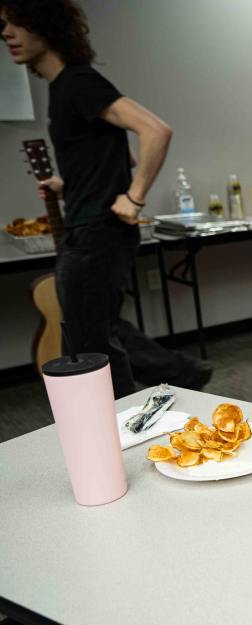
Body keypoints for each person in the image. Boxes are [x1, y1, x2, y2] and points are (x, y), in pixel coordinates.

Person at [1, 0, 210, 398]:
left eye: (17, 23)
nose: (7, 33)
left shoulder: (79, 82)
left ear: (47, 25)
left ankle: (116, 424)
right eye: (4, 25)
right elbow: (124, 153)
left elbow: (155, 131)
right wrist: (71, 182)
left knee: (88, 346)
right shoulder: (63, 88)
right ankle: (181, 375)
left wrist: (135, 197)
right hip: (89, 225)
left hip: (96, 232)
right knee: (98, 330)